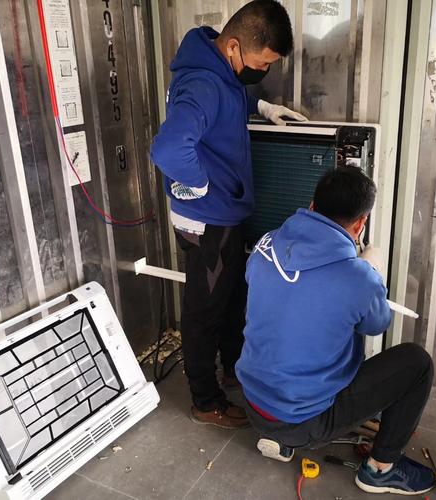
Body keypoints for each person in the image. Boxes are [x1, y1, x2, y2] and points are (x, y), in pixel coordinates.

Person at [150, 0, 307, 430]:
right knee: (204, 311)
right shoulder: (203, 82)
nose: (264, 71)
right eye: (263, 63)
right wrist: (197, 184)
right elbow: (168, 148)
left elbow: (230, 97)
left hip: (224, 214)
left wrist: (261, 107)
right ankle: (206, 401)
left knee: (233, 296)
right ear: (234, 46)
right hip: (207, 218)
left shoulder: (218, 67)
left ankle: (235, 370)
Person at [236, 167, 436, 495]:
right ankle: (380, 469)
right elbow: (377, 324)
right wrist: (371, 270)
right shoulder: (358, 277)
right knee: (417, 363)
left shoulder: (266, 243)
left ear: (312, 206)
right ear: (360, 224)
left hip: (253, 402)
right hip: (304, 420)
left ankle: (279, 439)